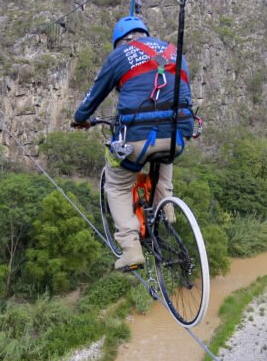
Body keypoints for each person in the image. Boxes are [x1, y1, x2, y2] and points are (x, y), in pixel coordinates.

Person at [71, 16, 195, 271]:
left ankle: (130, 248)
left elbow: (93, 97)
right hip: (178, 136)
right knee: (164, 152)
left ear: (119, 41)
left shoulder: (120, 55)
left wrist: (80, 119)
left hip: (136, 138)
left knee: (116, 184)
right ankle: (166, 208)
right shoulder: (175, 52)